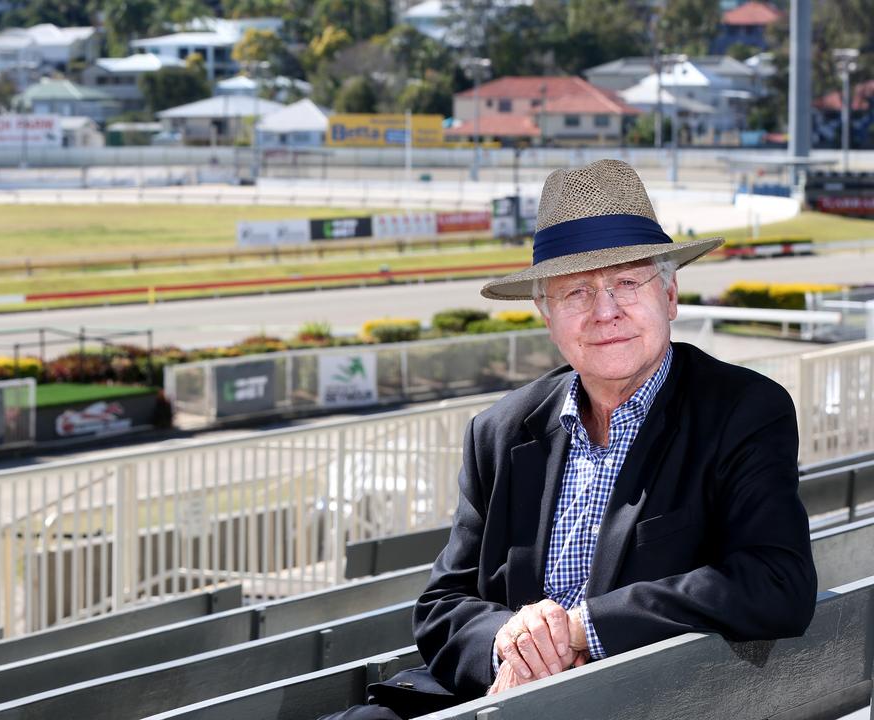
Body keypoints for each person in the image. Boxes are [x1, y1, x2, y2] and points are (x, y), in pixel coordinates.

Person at [324, 159, 817, 719]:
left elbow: (777, 581)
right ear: (545, 314)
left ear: (671, 296)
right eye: (576, 292)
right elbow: (442, 606)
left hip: (640, 700)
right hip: (492, 696)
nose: (605, 312)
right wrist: (511, 640)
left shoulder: (742, 410)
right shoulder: (500, 430)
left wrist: (582, 628)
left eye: (627, 282)